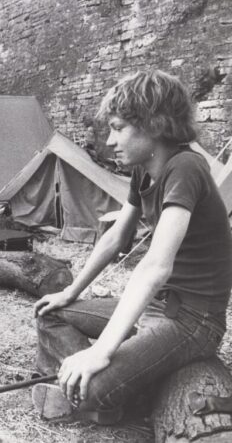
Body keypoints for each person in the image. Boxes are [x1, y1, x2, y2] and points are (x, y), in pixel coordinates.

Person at [31, 70, 232, 423]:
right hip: (153, 308)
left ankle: (100, 391)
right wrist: (70, 291)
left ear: (153, 124)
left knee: (93, 388)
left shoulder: (186, 167)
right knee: (50, 314)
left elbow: (155, 267)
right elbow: (115, 238)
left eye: (118, 127)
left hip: (191, 320)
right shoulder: (144, 169)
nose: (110, 140)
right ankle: (107, 380)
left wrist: (104, 350)